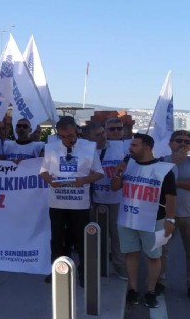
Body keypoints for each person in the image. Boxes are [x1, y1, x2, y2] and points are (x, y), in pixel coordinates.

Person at [110, 133, 176, 308]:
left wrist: (170, 220)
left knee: (153, 257)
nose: (130, 148)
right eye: (130, 145)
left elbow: (171, 197)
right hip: (128, 219)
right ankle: (133, 289)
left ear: (147, 147)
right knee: (131, 254)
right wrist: (118, 172)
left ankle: (151, 291)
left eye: (134, 145)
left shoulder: (163, 169)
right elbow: (114, 187)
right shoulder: (128, 166)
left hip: (153, 220)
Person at [39, 117, 104, 286]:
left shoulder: (89, 148)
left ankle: (84, 274)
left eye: (70, 136)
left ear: (76, 130)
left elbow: (99, 173)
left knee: (81, 239)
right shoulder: (51, 148)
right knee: (57, 238)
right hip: (57, 202)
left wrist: (85, 180)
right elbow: (43, 171)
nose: (67, 140)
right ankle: (57, 272)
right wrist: (50, 180)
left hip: (79, 203)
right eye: (62, 137)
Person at [157, 130, 190, 301]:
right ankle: (159, 282)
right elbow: (158, 183)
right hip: (167, 214)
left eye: (187, 141)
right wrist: (175, 165)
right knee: (162, 250)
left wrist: (172, 183)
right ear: (170, 143)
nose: (183, 144)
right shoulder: (162, 162)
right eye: (178, 140)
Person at [86, 119, 128, 280]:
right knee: (95, 234)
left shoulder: (121, 147)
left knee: (116, 234)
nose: (104, 136)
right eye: (98, 135)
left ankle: (119, 265)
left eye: (103, 133)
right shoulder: (87, 150)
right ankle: (97, 264)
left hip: (116, 199)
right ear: (90, 137)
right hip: (94, 199)